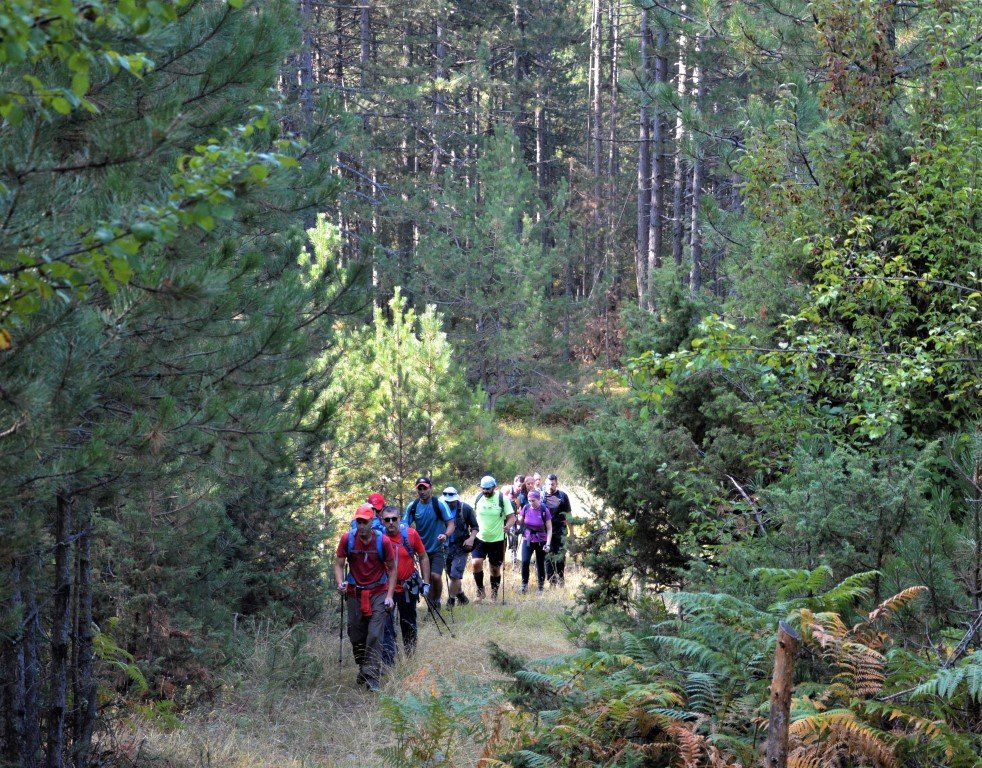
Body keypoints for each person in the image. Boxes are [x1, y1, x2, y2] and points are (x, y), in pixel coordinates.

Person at [334, 504, 397, 691]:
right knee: (356, 637)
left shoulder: (382, 541)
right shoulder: (347, 540)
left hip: (378, 592)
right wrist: (340, 583)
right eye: (358, 521)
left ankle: (372, 677)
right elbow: (339, 564)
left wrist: (390, 596)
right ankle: (363, 667)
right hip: (354, 593)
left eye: (365, 522)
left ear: (372, 522)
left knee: (375, 634)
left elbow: (392, 569)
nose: (361, 525)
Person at [380, 505, 430, 662]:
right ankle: (389, 660)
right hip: (385, 588)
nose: (391, 523)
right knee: (386, 626)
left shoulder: (410, 534)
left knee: (408, 624)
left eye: (394, 519)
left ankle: (410, 657)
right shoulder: (378, 538)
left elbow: (423, 556)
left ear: (399, 519)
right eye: (387, 520)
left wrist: (426, 582)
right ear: (382, 521)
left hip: (407, 588)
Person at [403, 476, 455, 610]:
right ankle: (431, 607)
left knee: (435, 576)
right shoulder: (413, 506)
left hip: (440, 546)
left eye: (424, 488)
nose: (422, 491)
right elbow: (404, 526)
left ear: (430, 488)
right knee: (427, 580)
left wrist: (445, 535)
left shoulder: (439, 504)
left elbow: (451, 524)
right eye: (419, 488)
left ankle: (436, 601)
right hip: (422, 550)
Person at [471, 475, 516, 602]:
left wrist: (507, 526)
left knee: (495, 569)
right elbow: (472, 515)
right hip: (480, 538)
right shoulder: (478, 498)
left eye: (488, 489)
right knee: (475, 563)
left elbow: (512, 517)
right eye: (483, 488)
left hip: (498, 539)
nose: (485, 491)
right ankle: (480, 591)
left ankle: (494, 594)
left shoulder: (503, 499)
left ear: (494, 487)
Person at [441, 486, 478, 608]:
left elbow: (474, 527)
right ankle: (461, 596)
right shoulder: (440, 508)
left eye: (451, 501)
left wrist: (471, 539)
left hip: (461, 547)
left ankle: (450, 601)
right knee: (451, 574)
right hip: (445, 546)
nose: (449, 503)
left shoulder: (465, 508)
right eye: (447, 501)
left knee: (455, 574)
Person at [517, 490, 553, 594]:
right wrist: (515, 518)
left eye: (533, 500)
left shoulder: (544, 510)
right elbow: (520, 521)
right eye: (529, 500)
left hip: (541, 540)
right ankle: (524, 585)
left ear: (538, 499)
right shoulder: (526, 508)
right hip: (527, 539)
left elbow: (549, 529)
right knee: (524, 561)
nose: (531, 503)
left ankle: (540, 587)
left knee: (540, 563)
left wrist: (548, 544)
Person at [542, 473, 573, 587]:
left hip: (560, 530)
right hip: (546, 532)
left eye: (553, 484)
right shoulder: (541, 497)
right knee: (548, 556)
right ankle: (551, 581)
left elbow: (569, 515)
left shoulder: (563, 496)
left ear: (557, 484)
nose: (551, 486)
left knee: (560, 556)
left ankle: (561, 578)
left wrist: (571, 532)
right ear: (546, 484)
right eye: (549, 484)